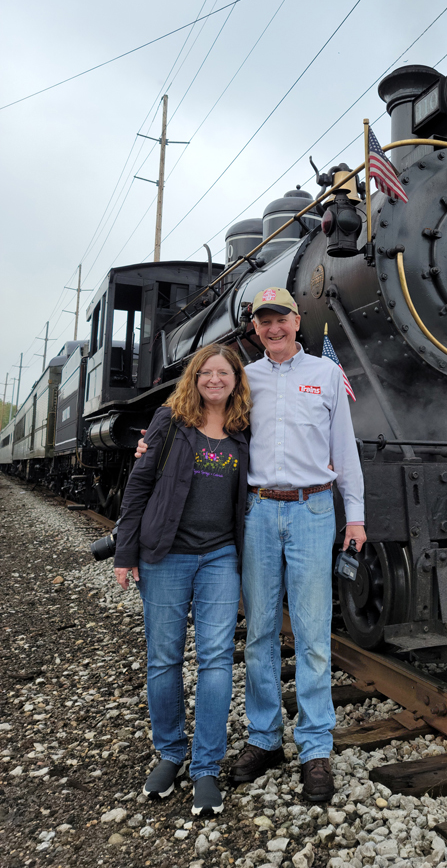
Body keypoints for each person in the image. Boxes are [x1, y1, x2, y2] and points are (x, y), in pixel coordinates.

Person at [140, 288, 366, 802]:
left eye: (281, 318)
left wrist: (355, 516)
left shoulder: (328, 375)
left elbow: (344, 452)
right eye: (264, 321)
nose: (274, 328)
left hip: (312, 509)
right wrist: (149, 445)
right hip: (259, 512)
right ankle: (265, 740)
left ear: (296, 319)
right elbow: (204, 419)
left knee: (312, 636)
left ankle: (314, 749)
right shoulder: (245, 379)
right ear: (256, 328)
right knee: (261, 633)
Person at [115, 343, 251, 816]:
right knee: (164, 658)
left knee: (215, 660)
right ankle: (171, 752)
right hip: (165, 555)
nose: (215, 380)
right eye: (207, 372)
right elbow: (139, 485)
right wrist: (125, 552)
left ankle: (206, 766)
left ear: (236, 379)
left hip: (220, 557)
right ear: (194, 377)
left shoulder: (244, 429)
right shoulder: (169, 421)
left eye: (224, 373)